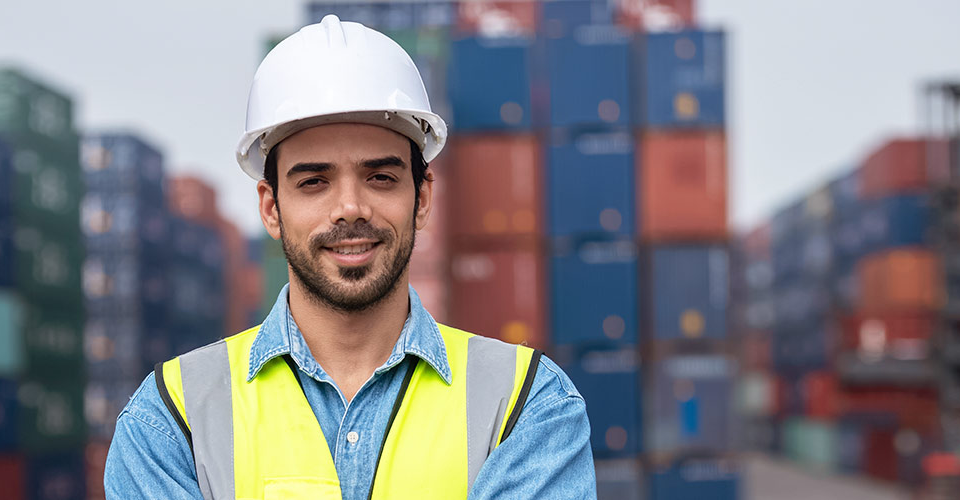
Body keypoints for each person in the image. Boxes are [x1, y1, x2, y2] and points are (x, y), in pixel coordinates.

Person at [104, 15, 594, 499]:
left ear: (422, 199)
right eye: (314, 182)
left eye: (380, 177)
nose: (350, 209)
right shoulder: (171, 420)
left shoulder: (527, 403)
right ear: (272, 209)